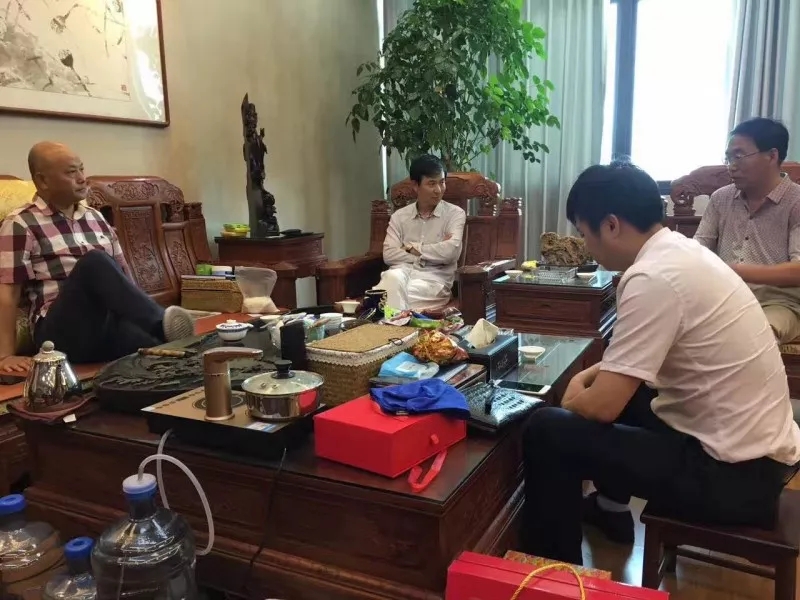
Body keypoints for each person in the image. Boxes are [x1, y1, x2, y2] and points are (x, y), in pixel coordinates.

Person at [521, 161, 800, 566]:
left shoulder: (652, 277)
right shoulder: (681, 252)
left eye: (584, 233)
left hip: (734, 481)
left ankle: (554, 577)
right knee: (634, 397)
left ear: (611, 225)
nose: (586, 246)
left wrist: (571, 396)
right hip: (761, 461)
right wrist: (596, 378)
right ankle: (611, 512)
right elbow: (630, 365)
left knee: (548, 430)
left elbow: (601, 406)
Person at [0, 142, 195, 371]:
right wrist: (4, 356)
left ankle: (167, 335)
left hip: (105, 326)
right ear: (43, 180)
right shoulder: (21, 223)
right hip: (60, 333)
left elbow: (123, 279)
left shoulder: (95, 218)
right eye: (71, 172)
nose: (82, 178)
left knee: (171, 352)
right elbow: (7, 293)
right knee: (94, 262)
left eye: (82, 169)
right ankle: (162, 322)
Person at [694, 118, 800, 344]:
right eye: (728, 157)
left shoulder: (796, 202)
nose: (731, 166)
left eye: (739, 156)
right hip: (722, 297)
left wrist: (734, 271)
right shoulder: (721, 198)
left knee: (751, 338)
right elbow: (697, 250)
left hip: (778, 303)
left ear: (772, 156)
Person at [378, 154, 466, 312]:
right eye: (431, 183)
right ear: (415, 185)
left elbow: (450, 253)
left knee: (385, 299)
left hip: (433, 282)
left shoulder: (455, 214)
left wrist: (410, 248)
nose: (438, 190)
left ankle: (389, 320)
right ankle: (396, 321)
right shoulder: (399, 217)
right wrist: (435, 250)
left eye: (442, 182)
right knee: (391, 278)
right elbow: (389, 255)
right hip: (400, 275)